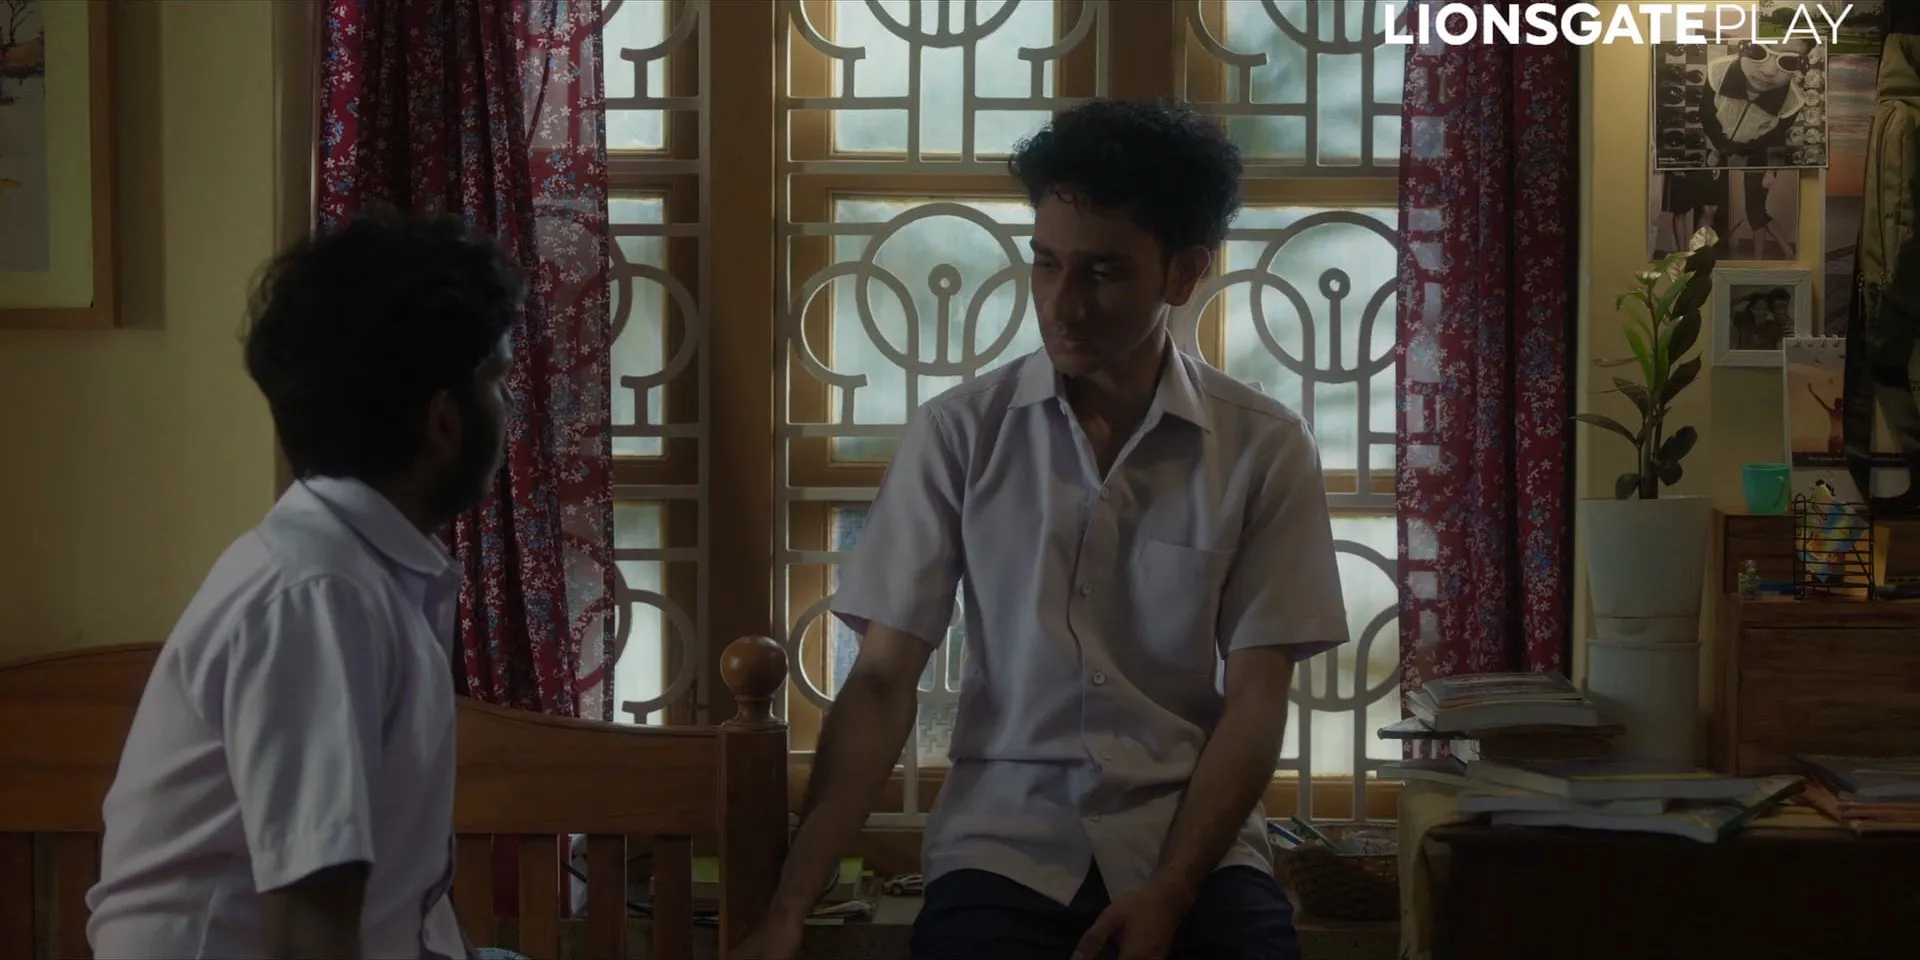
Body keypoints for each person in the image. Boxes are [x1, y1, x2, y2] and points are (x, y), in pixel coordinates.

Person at [739, 98, 1349, 960]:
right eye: (1047, 264)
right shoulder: (960, 434)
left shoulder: (1263, 447)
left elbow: (1256, 701)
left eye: (1103, 273)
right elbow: (879, 681)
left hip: (1193, 847)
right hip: (1005, 849)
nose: (1064, 304)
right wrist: (788, 910)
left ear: (1183, 275)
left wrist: (1172, 890)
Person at [84, 211, 526, 960]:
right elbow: (309, 931)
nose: (509, 409)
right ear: (443, 422)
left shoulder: (360, 571)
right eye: (499, 382)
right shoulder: (320, 594)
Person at [1702, 39, 1814, 166]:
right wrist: (1719, 145)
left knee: (1739, 163)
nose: (1768, 71)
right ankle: (1718, 152)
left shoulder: (1793, 102)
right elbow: (1706, 113)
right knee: (1717, 151)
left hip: (1749, 147)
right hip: (1716, 138)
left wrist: (1747, 150)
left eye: (1789, 61)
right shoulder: (1720, 71)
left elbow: (1774, 135)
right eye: (1757, 50)